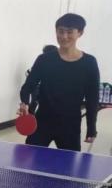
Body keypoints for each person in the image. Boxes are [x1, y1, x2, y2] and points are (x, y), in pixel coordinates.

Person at [19, 14, 99, 151]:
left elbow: (92, 98)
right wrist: (25, 102)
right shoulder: (44, 59)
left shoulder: (89, 62)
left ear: (80, 33)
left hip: (70, 125)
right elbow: (27, 87)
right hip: (42, 122)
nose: (64, 36)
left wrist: (91, 128)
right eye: (60, 31)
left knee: (68, 163)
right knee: (30, 160)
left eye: (69, 32)